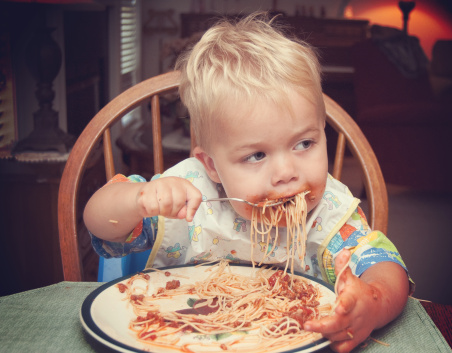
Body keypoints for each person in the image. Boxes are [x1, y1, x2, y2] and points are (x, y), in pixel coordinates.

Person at [84, 12, 412, 352]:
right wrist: (137, 198)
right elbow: (99, 223)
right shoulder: (188, 199)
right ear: (211, 166)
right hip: (177, 338)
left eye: (304, 143)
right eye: (256, 155)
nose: (286, 172)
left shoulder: (326, 212)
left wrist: (371, 303)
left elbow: (387, 269)